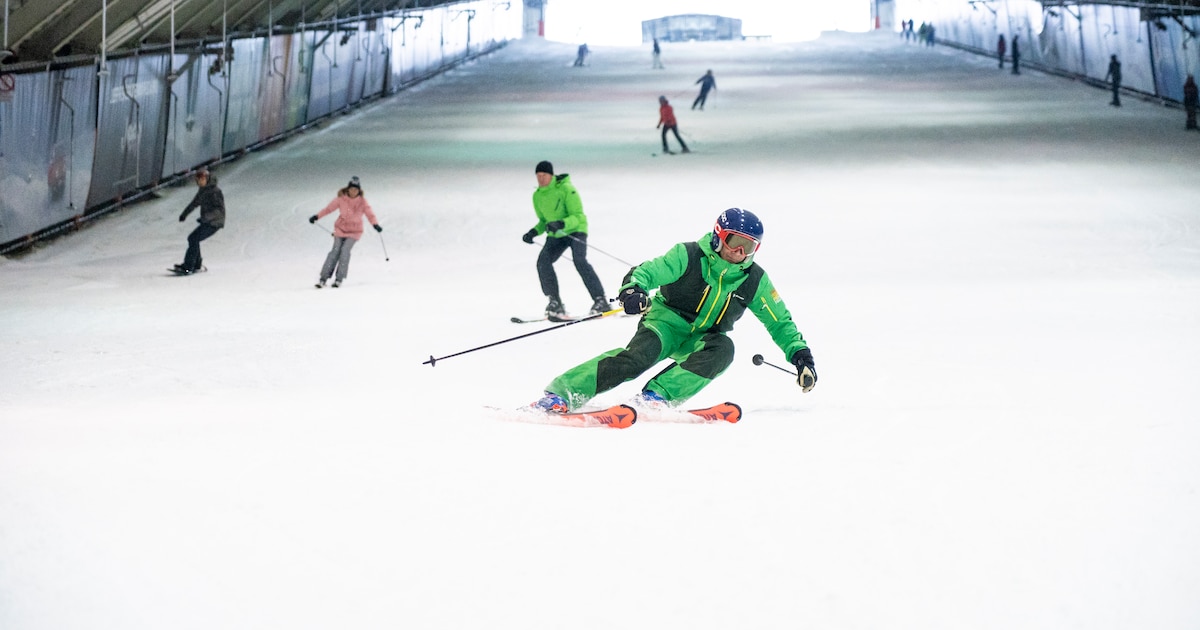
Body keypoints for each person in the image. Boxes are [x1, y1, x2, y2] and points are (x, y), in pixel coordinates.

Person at [530, 208, 816, 413]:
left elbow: (779, 321)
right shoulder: (688, 255)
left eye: (749, 247)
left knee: (724, 349)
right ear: (719, 236)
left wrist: (801, 356)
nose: (740, 253)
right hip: (664, 323)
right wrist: (633, 289)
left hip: (704, 337)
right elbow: (647, 272)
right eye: (734, 242)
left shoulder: (754, 279)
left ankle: (657, 397)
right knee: (635, 360)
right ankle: (562, 393)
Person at [520, 161, 608, 319]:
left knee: (579, 260)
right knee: (543, 262)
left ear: (551, 175)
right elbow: (543, 221)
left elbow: (578, 216)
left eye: (544, 175)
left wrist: (561, 223)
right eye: (538, 176)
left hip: (576, 230)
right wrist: (533, 232)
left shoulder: (566, 189)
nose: (541, 179)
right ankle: (555, 302)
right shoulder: (538, 195)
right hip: (556, 235)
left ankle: (601, 300)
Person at [308, 176, 381, 288]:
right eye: (351, 189)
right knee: (335, 251)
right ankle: (323, 278)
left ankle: (339, 279)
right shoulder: (341, 199)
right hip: (341, 229)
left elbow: (370, 214)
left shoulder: (362, 202)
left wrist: (375, 224)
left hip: (355, 231)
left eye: (356, 189)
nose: (353, 191)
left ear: (359, 190)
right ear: (348, 189)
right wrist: (317, 216)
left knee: (345, 251)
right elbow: (328, 209)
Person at [174, 168, 225, 274]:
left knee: (193, 239)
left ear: (207, 178)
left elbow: (219, 209)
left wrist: (206, 218)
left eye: (201, 180)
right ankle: (195, 264)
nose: (199, 182)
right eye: (198, 180)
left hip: (215, 222)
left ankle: (189, 265)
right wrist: (184, 214)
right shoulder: (203, 190)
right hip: (207, 221)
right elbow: (194, 203)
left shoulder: (215, 191)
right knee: (193, 239)